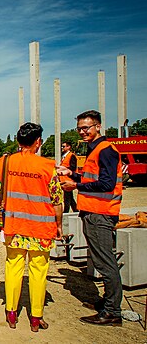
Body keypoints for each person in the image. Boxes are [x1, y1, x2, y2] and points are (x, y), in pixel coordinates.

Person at [0, 122, 63, 332]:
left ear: (19, 141)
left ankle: (11, 312)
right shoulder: (47, 166)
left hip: (13, 225)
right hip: (41, 228)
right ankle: (35, 316)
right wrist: (58, 225)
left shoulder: (6, 162)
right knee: (39, 271)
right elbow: (57, 199)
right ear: (38, 142)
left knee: (13, 266)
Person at [58, 110, 123, 326]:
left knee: (105, 261)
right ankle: (107, 303)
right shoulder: (94, 149)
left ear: (98, 126)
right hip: (93, 211)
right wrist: (72, 174)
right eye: (80, 128)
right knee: (100, 258)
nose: (83, 132)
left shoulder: (105, 150)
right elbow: (91, 177)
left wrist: (75, 185)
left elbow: (106, 183)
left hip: (101, 212)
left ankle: (112, 311)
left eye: (87, 127)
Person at [60, 141, 78, 213]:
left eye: (64, 146)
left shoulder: (71, 156)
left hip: (69, 179)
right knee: (70, 197)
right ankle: (75, 210)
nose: (62, 148)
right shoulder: (64, 156)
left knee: (67, 197)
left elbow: (73, 168)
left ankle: (66, 212)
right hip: (65, 179)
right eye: (62, 146)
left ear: (68, 147)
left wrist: (64, 169)